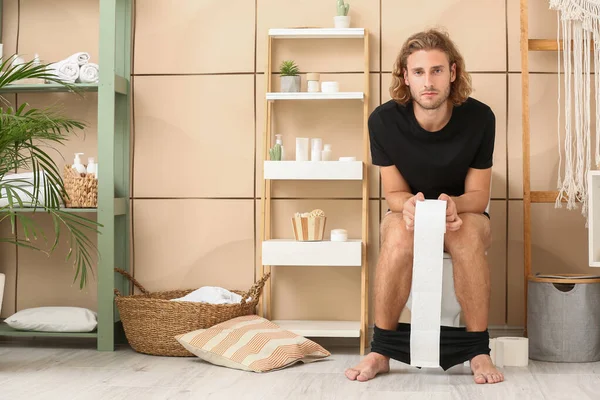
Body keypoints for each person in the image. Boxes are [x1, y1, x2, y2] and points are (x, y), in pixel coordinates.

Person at [344, 29, 504, 384]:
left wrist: (454, 205)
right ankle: (381, 349)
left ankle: (478, 351)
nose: (427, 81)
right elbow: (394, 194)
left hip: (464, 212)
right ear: (405, 76)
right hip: (407, 211)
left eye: (436, 70)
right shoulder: (383, 122)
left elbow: (478, 196)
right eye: (418, 72)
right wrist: (411, 206)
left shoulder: (480, 119)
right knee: (399, 237)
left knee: (465, 239)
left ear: (453, 72)